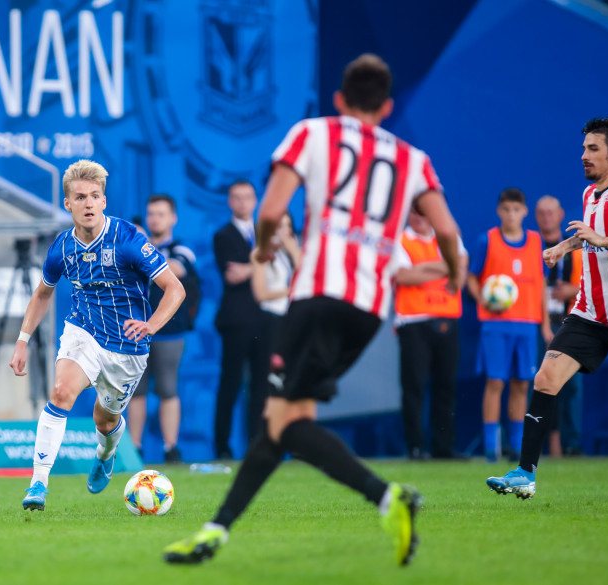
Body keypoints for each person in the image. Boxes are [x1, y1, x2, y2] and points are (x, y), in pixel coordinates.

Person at [163, 54, 462, 567]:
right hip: (368, 310)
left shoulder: (313, 134)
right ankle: (215, 531)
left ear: (339, 99)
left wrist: (262, 249)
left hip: (317, 297)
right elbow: (449, 232)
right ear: (387, 107)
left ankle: (387, 497)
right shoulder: (414, 159)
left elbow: (271, 211)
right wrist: (454, 274)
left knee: (284, 422)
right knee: (281, 420)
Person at [487, 116, 608, 498]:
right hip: (587, 314)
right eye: (584, 148)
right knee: (545, 378)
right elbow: (589, 237)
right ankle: (525, 473)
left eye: (593, 149)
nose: (583, 155)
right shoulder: (590, 194)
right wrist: (564, 247)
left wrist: (603, 240)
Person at [9, 159, 185, 511]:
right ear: (68, 204)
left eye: (94, 196)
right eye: (80, 197)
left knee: (105, 420)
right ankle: (38, 484)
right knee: (61, 392)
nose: (88, 203)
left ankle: (106, 453)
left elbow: (175, 289)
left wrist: (151, 325)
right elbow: (42, 294)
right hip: (83, 331)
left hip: (128, 346)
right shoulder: (62, 247)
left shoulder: (128, 239)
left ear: (104, 201)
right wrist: (22, 340)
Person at [466, 188, 550, 462]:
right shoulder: (488, 240)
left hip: (527, 324)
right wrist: (483, 300)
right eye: (506, 210)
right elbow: (472, 277)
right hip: (495, 324)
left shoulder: (536, 241)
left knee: (522, 384)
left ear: (524, 212)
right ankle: (492, 448)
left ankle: (516, 445)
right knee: (495, 382)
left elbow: (541, 284)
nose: (511, 215)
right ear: (499, 211)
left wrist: (545, 325)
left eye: (516, 210)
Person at [393, 207, 468, 460]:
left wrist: (424, 269)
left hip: (447, 317)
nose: (418, 217)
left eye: (423, 212)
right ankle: (415, 447)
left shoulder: (448, 236)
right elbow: (403, 276)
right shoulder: (400, 239)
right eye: (414, 212)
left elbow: (460, 273)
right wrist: (446, 266)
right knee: (413, 387)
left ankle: (443, 448)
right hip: (413, 320)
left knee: (445, 386)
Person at [130, 194, 199, 463]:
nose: (155, 219)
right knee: (135, 391)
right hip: (136, 329)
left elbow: (178, 270)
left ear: (173, 218)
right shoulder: (135, 246)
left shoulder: (181, 248)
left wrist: (143, 246)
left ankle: (171, 448)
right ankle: (134, 448)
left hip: (170, 330)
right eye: (151, 214)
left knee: (168, 389)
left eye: (161, 214)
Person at [212, 179, 268, 459]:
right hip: (236, 321)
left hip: (266, 320)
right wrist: (265, 262)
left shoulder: (266, 233)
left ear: (255, 200)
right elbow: (233, 275)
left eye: (247, 196)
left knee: (262, 387)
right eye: (237, 197)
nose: (243, 202)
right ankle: (222, 448)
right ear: (229, 202)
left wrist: (250, 267)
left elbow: (281, 269)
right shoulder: (223, 235)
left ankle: (258, 446)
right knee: (230, 385)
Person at [534, 195, 584, 456]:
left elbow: (593, 283)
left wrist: (572, 290)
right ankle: (532, 444)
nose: (547, 218)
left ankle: (572, 443)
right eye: (541, 213)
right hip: (537, 325)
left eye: (551, 212)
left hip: (570, 322)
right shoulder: (531, 246)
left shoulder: (575, 248)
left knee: (572, 385)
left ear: (561, 214)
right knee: (535, 382)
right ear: (536, 217)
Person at [250, 212, 301, 417]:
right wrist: (290, 291)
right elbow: (261, 294)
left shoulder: (288, 254)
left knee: (288, 379)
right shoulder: (260, 254)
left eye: (288, 226)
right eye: (280, 226)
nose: (284, 231)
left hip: (289, 319)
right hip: (270, 320)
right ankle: (260, 429)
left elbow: (306, 275)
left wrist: (294, 250)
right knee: (267, 379)